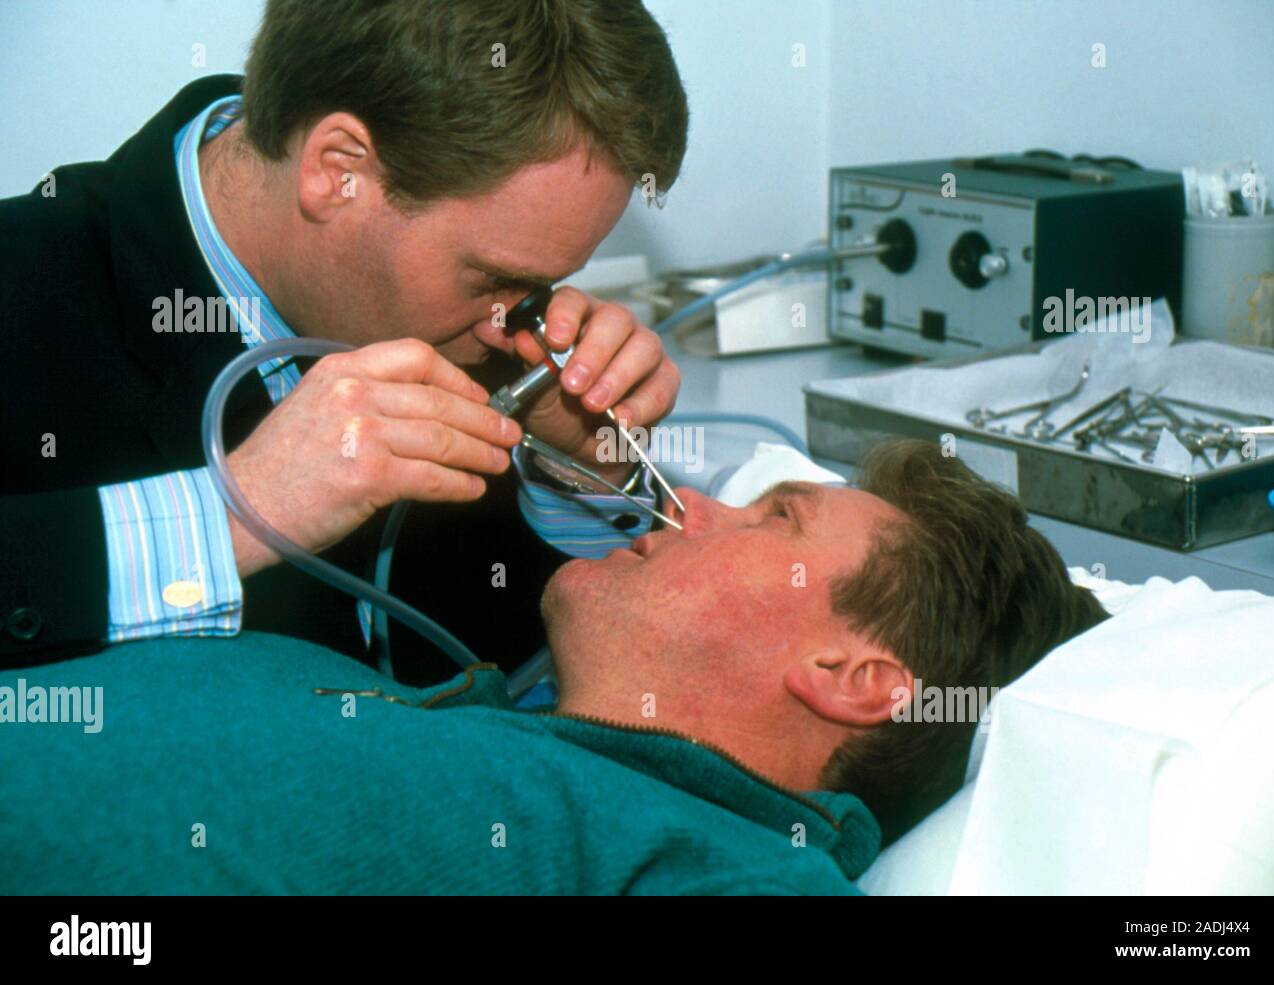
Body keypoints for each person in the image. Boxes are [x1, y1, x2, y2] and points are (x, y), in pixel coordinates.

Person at [0, 440, 1111, 894]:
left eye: (774, 515)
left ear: (850, 674)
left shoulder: (732, 867)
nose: (695, 498)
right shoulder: (504, 740)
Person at [0, 0, 688, 682]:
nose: (509, 324)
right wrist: (237, 512)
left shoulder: (486, 319)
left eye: (539, 285)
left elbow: (492, 674)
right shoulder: (25, 293)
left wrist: (580, 474)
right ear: (338, 170)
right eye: (496, 278)